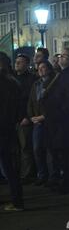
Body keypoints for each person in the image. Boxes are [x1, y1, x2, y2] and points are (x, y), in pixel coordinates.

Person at [43, 48, 69, 194]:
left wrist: (59, 113)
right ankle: (67, 180)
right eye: (60, 55)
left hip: (67, 122)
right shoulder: (62, 75)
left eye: (64, 56)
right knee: (64, 154)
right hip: (60, 121)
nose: (60, 58)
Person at [0, 52, 24, 211]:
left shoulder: (5, 83)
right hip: (9, 128)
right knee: (9, 165)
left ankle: (17, 202)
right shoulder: (13, 82)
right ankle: (17, 200)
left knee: (8, 166)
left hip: (3, 128)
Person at [27, 61, 56, 186]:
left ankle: (52, 176)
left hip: (48, 121)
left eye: (43, 67)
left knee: (50, 150)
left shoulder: (54, 83)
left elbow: (55, 103)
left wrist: (44, 116)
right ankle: (41, 174)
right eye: (39, 68)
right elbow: (30, 102)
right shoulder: (36, 84)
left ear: (49, 69)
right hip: (37, 121)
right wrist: (31, 116)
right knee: (37, 148)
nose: (41, 70)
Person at [14, 53, 37, 181]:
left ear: (27, 64)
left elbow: (31, 101)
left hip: (24, 119)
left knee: (26, 147)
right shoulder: (12, 78)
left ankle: (28, 174)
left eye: (21, 62)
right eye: (16, 61)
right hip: (13, 119)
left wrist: (27, 117)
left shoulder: (31, 79)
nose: (17, 63)